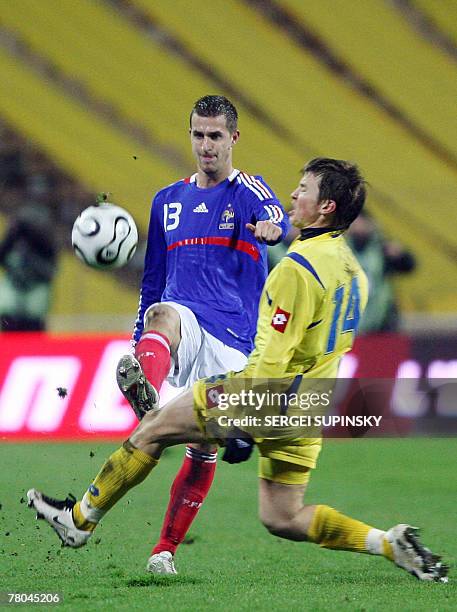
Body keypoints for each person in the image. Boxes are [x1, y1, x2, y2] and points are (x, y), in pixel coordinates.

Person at [28, 158, 447, 582]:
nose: (294, 195)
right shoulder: (355, 273)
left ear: (326, 208)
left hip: (263, 396)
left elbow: (272, 358)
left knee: (152, 428)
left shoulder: (296, 270)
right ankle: (386, 542)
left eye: (304, 189)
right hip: (310, 406)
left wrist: (245, 422)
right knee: (283, 515)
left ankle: (79, 521)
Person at [114, 94, 289, 573]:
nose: (206, 146)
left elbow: (279, 216)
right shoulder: (166, 201)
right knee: (163, 314)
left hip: (233, 340)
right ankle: (147, 389)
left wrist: (274, 230)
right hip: (185, 324)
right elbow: (152, 281)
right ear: (189, 135)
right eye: (198, 135)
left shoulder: (247, 191)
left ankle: (164, 550)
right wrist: (140, 343)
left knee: (205, 447)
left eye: (215, 136)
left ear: (233, 138)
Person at [346, 211, 416, 333]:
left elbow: (408, 267)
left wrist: (400, 256)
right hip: (349, 314)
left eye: (360, 222)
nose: (357, 227)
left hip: (382, 317)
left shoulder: (382, 248)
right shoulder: (342, 249)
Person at [0, 204, 57, 331]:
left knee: (33, 326)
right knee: (10, 323)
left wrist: (30, 254)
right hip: (14, 289)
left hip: (35, 291)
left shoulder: (45, 245)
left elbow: (50, 271)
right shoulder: (13, 241)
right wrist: (12, 237)